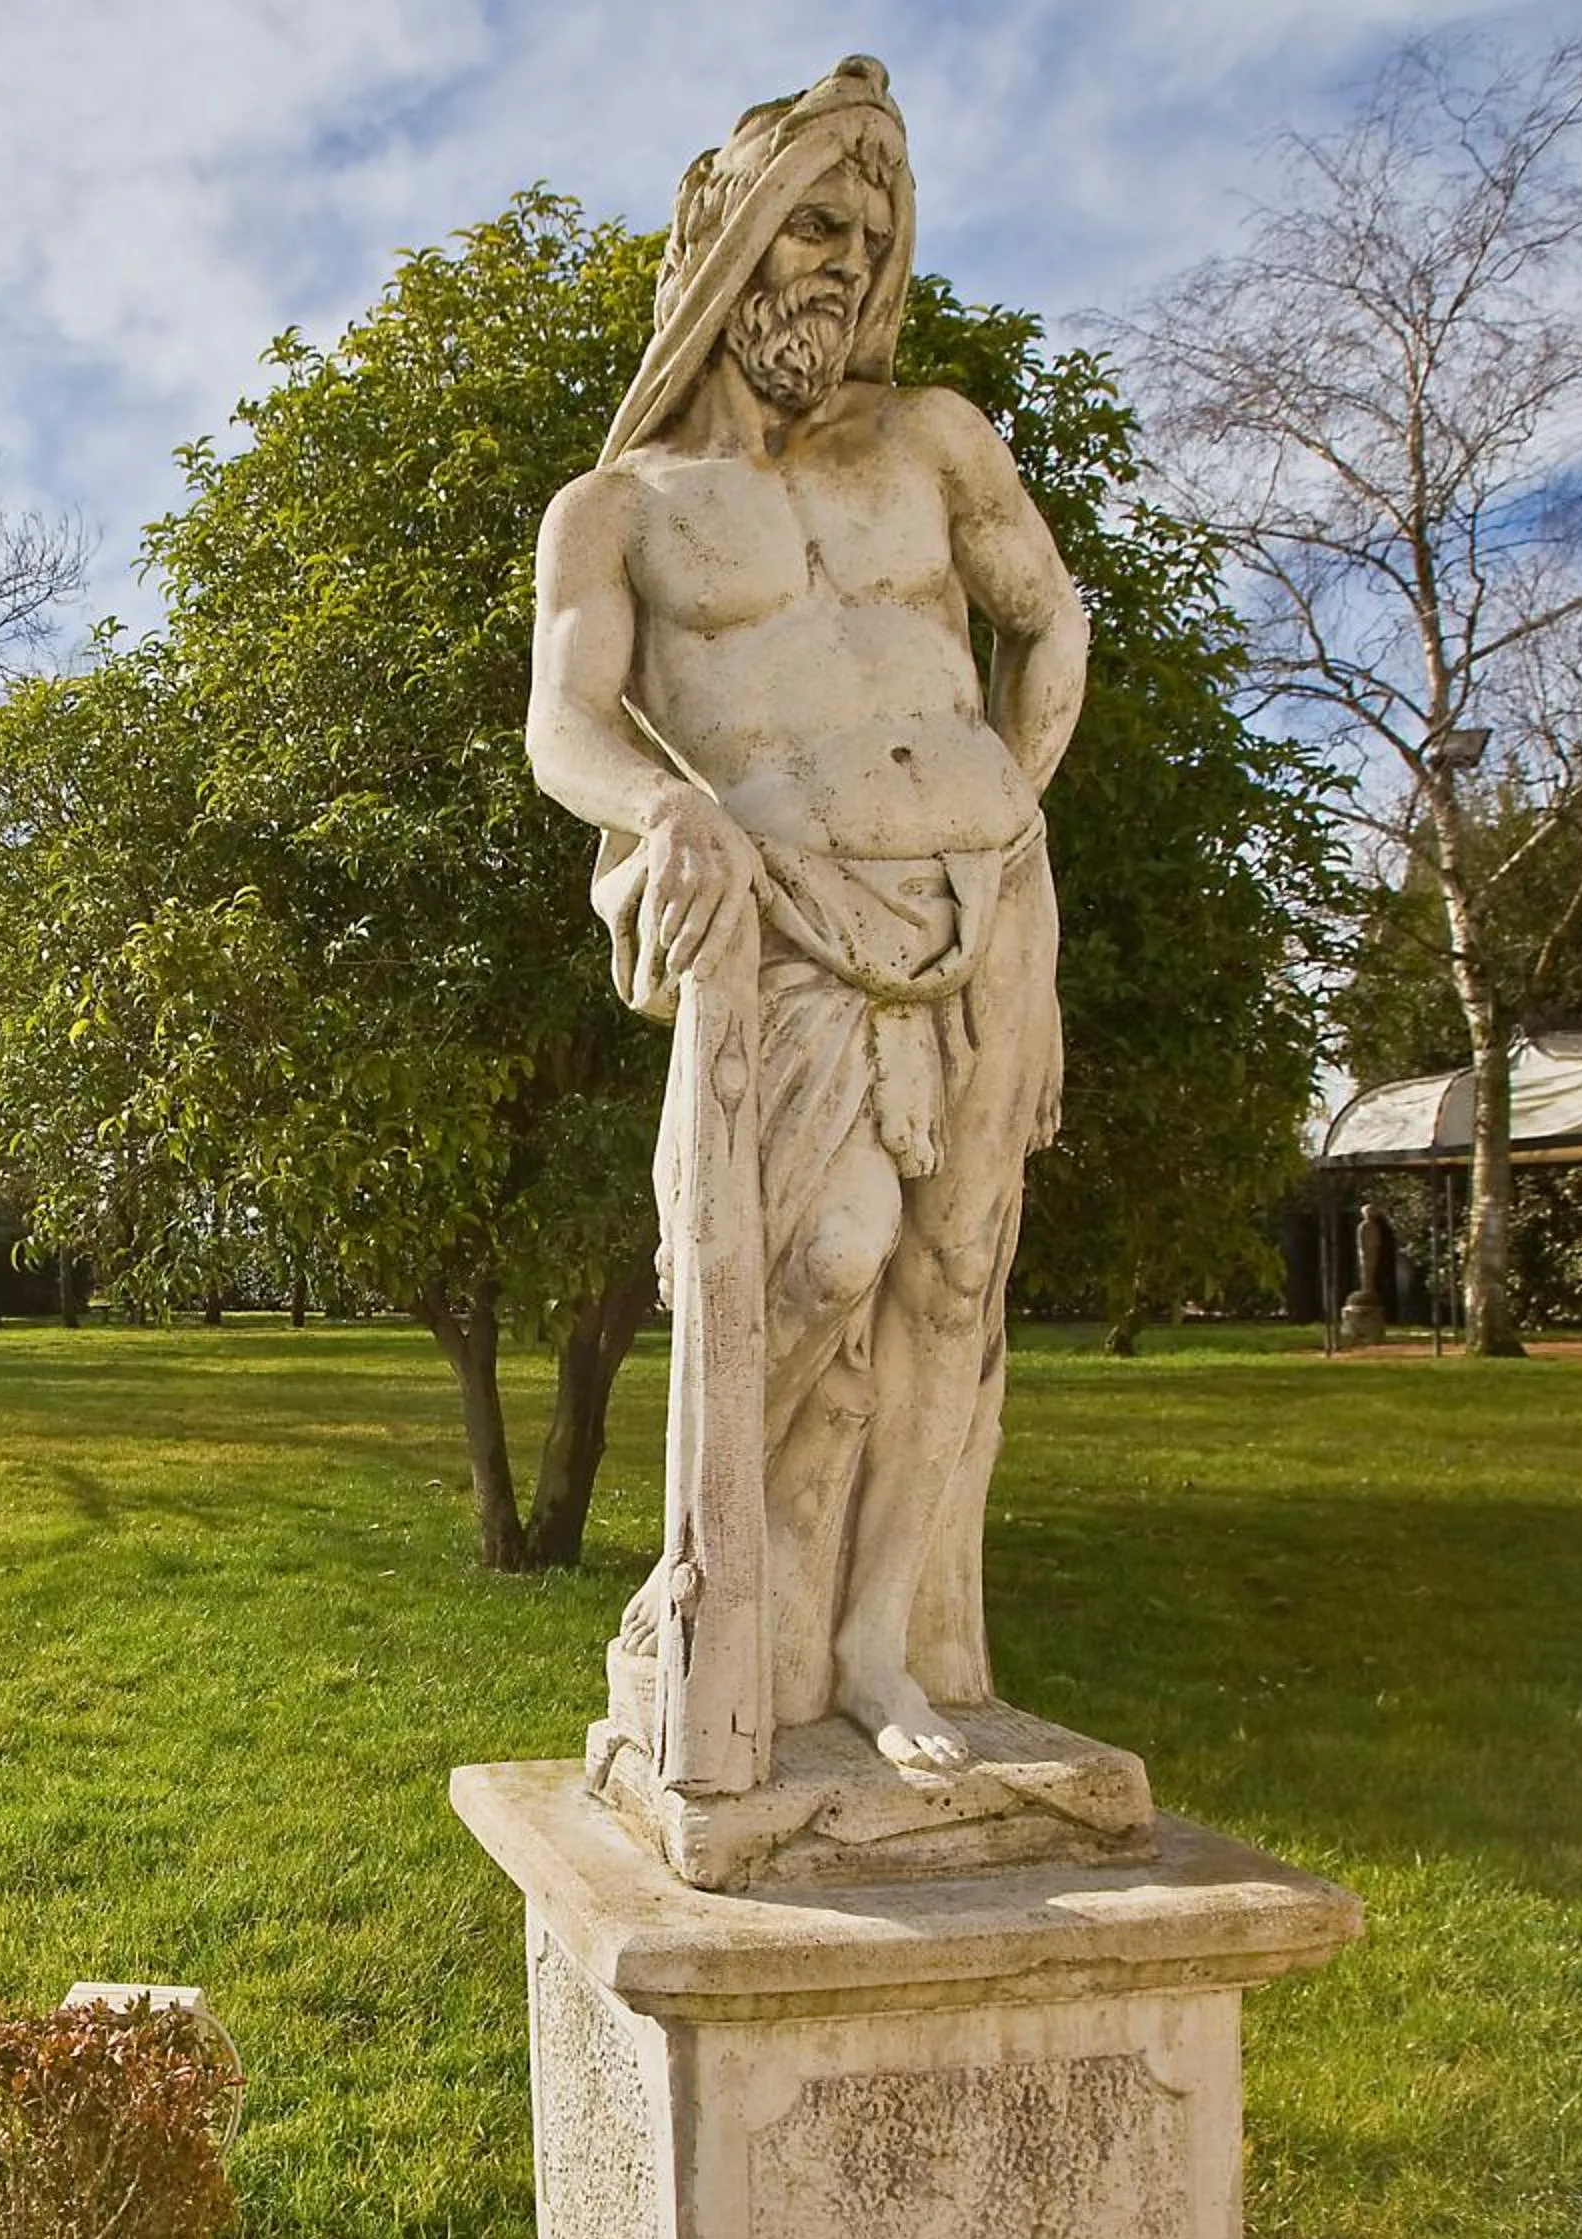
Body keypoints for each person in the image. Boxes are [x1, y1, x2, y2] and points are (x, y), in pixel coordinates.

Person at [525, 57, 1087, 1780]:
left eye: (873, 233)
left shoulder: (934, 441)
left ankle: (879, 1656)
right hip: (789, 920)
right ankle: (715, 1609)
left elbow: (1047, 627)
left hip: (986, 901)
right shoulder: (616, 510)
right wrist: (666, 804)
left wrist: (1005, 807)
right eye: (813, 225)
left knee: (954, 1274)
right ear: (732, 240)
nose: (844, 264)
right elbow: (566, 725)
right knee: (820, 1250)